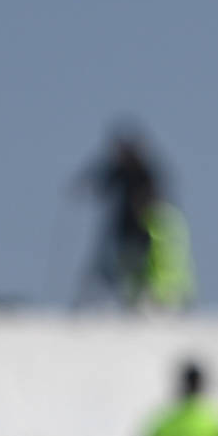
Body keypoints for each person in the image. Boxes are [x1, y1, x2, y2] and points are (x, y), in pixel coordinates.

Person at [81, 125, 165, 307]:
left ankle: (141, 299)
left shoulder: (144, 172)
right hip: (121, 229)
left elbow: (155, 198)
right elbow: (104, 184)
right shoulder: (121, 171)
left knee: (138, 267)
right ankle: (123, 298)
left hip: (141, 230)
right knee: (116, 266)